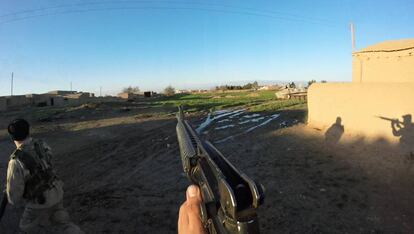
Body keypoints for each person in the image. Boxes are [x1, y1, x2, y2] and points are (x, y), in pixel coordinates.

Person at [6, 119, 83, 234]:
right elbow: (48, 161)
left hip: (39, 203)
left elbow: (14, 198)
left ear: (12, 137)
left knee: (25, 227)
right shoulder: (41, 144)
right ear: (28, 132)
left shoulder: (16, 160)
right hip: (56, 192)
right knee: (62, 224)